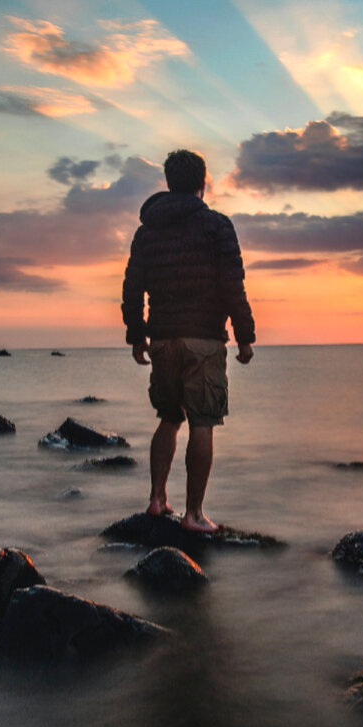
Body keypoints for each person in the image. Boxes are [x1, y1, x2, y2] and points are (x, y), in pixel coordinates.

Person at [121, 149, 256, 533]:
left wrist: (136, 335)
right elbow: (233, 284)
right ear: (203, 182)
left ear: (168, 182)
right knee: (202, 421)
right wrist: (245, 338)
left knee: (168, 417)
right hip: (204, 339)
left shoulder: (148, 231)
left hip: (162, 338)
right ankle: (194, 515)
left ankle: (156, 499)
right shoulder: (216, 226)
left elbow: (133, 287)